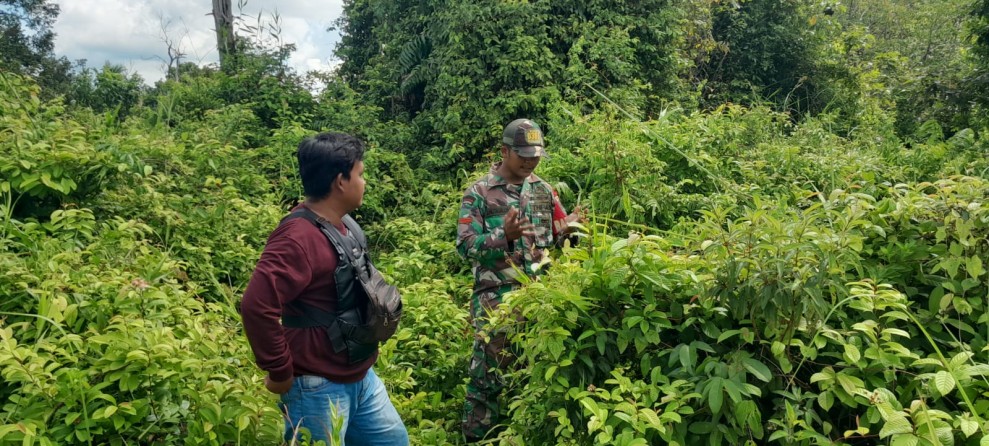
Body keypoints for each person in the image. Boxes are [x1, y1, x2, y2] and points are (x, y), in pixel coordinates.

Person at [241, 132, 408, 445]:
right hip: (316, 386)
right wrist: (279, 371)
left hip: (361, 377)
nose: (364, 181)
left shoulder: (344, 224)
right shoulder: (296, 238)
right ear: (340, 181)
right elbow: (256, 306)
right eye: (360, 174)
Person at [456, 118, 583, 442]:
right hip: (495, 299)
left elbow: (555, 239)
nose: (530, 161)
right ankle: (477, 439)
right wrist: (503, 236)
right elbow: (465, 246)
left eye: (535, 155)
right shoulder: (480, 193)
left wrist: (569, 230)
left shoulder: (543, 191)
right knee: (486, 379)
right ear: (505, 151)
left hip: (540, 297)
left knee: (532, 375)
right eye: (523, 154)